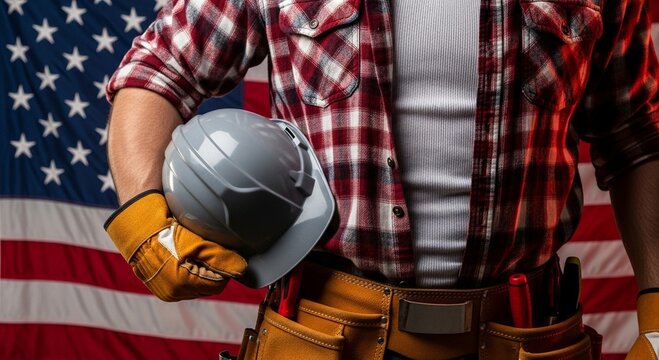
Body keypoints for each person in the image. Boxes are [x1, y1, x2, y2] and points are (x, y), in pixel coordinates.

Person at [103, 1, 659, 358]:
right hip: (325, 336)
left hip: (528, 339)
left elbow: (637, 136)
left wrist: (658, 317)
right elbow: (158, 73)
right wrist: (147, 227)